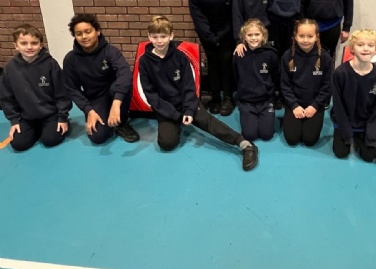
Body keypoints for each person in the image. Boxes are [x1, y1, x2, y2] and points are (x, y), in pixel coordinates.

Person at [138, 16, 259, 171]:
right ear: (149, 37)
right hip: (166, 109)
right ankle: (176, 124)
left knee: (207, 120)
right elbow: (151, 95)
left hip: (185, 102)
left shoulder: (180, 57)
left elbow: (189, 87)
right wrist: (175, 116)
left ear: (171, 36)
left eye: (163, 36)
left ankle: (244, 144)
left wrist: (189, 110)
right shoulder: (145, 62)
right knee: (167, 144)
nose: (159, 41)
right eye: (155, 37)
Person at [63, 14, 140, 145]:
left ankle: (121, 121)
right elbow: (72, 89)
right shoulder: (70, 60)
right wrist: (89, 110)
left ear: (97, 31)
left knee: (123, 84)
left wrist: (116, 104)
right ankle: (108, 119)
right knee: (97, 137)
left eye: (88, 31)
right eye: (79, 34)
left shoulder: (111, 51)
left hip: (115, 94)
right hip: (95, 98)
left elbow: (125, 73)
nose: (84, 36)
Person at [0, 24, 72, 152]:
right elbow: (7, 97)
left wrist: (62, 117)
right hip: (27, 117)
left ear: (41, 45)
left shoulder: (50, 64)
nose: (29, 47)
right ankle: (37, 129)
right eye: (24, 43)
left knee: (51, 140)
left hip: (50, 114)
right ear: (16, 45)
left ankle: (50, 127)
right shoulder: (10, 69)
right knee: (18, 144)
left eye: (34, 43)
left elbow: (62, 93)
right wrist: (14, 120)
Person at [188, 0, 238, 116]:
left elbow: (236, 10)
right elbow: (195, 11)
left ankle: (228, 98)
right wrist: (208, 34)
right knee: (213, 63)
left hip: (227, 32)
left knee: (226, 62)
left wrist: (223, 34)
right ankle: (215, 97)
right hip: (207, 33)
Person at [331, 29, 376, 162]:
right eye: (360, 45)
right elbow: (338, 105)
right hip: (344, 120)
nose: (366, 49)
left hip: (365, 123)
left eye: (370, 45)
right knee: (341, 153)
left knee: (369, 156)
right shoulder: (340, 73)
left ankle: (360, 135)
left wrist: (371, 130)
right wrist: (345, 129)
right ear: (352, 48)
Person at [280, 19, 332, 147]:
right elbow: (285, 85)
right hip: (294, 103)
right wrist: (294, 105)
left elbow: (327, 86)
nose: (305, 40)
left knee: (309, 140)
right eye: (301, 36)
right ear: (295, 36)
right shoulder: (287, 56)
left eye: (310, 36)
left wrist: (315, 106)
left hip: (314, 104)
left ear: (317, 37)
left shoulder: (325, 57)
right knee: (292, 139)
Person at [233, 19, 279, 141]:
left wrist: (270, 92)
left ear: (263, 35)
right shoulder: (239, 54)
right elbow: (236, 76)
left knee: (267, 135)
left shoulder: (271, 54)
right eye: (250, 35)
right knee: (249, 135)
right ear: (244, 37)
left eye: (257, 34)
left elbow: (275, 75)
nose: (253, 38)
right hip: (246, 101)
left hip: (266, 100)